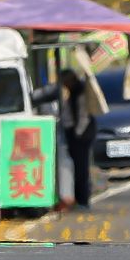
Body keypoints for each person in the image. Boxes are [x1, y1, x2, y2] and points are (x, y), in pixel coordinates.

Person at [31, 62, 97, 210]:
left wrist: (77, 135)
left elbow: (83, 116)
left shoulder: (80, 93)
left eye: (65, 81)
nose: (64, 85)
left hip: (80, 136)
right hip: (74, 134)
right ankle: (76, 199)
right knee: (76, 168)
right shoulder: (74, 93)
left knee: (81, 169)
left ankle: (82, 200)